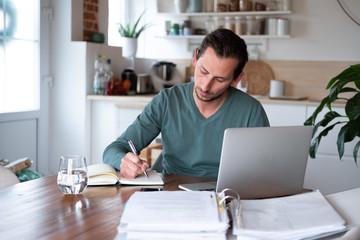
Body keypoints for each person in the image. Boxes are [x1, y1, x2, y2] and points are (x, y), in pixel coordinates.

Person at [103, 28, 269, 179]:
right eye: (203, 72)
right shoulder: (166, 100)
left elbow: (265, 169)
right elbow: (113, 150)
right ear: (195, 58)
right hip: (171, 193)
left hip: (225, 195)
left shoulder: (251, 111)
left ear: (236, 80)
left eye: (219, 79)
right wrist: (123, 162)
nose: (205, 86)